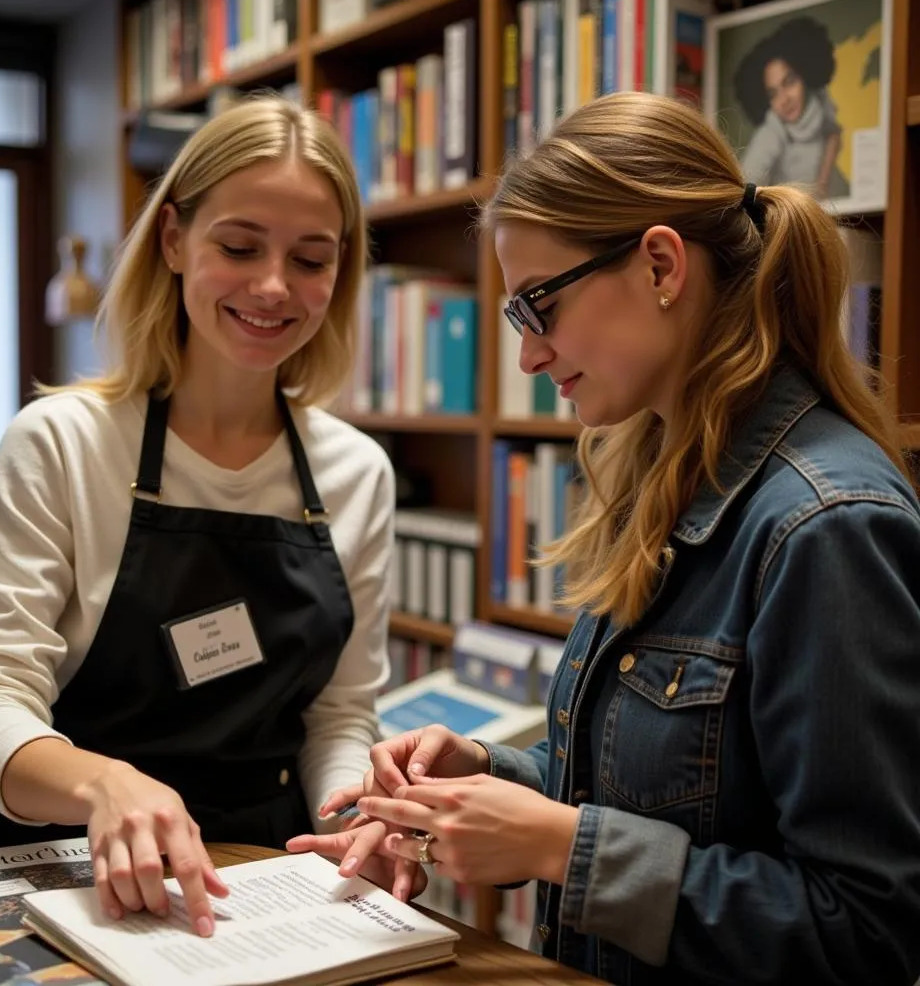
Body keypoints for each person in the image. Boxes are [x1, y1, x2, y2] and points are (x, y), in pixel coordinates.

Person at [288, 91, 920, 985]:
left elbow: (868, 933)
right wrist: (482, 774)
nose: (529, 357)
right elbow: (662, 790)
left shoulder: (827, 528)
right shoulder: (658, 476)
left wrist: (562, 845)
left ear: (662, 264)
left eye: (538, 305)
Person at [0, 95, 422, 938]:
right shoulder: (64, 443)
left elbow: (339, 714)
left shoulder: (356, 472)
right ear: (171, 240)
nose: (274, 286)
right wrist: (101, 783)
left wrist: (352, 823)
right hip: (59, 863)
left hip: (258, 881)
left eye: (311, 259)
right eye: (238, 246)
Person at [734, 15, 846, 200]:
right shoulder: (770, 135)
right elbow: (744, 188)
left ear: (805, 76)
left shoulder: (822, 107)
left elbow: (833, 133)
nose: (784, 99)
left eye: (789, 82)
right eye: (773, 93)